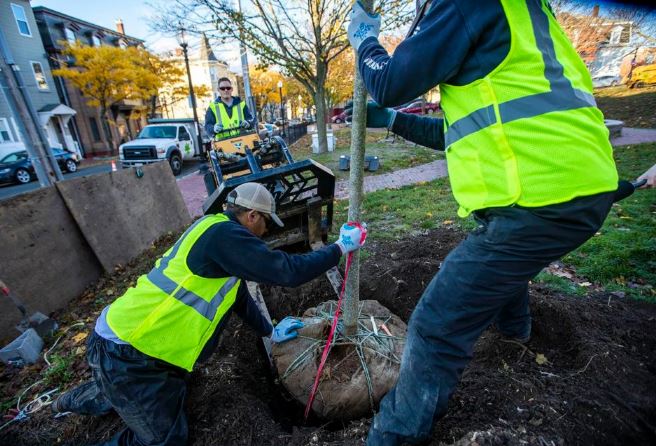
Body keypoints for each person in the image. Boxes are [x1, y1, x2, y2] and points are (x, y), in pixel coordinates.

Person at [346, 1, 620, 444]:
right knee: (505, 266)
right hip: (578, 187)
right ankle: (516, 336)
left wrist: (363, 39)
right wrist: (395, 122)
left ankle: (393, 436)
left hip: (538, 199)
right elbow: (461, 130)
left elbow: (390, 81)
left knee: (436, 325)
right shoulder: (522, 16)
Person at [52, 182, 366, 446]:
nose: (266, 231)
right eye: (266, 223)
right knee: (166, 439)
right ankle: (85, 399)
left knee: (142, 393)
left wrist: (269, 331)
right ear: (252, 215)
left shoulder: (215, 231)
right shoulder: (224, 236)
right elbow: (286, 271)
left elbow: (237, 296)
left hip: (142, 348)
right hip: (128, 351)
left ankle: (73, 399)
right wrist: (339, 248)